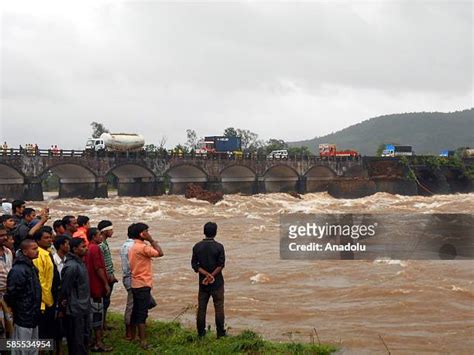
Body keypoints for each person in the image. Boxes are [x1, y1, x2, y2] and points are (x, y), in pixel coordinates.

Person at [128, 223, 164, 349]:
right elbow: (160, 253)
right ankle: (143, 341)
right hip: (143, 283)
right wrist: (151, 240)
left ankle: (132, 336)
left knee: (135, 311)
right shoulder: (142, 247)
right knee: (142, 313)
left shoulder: (133, 246)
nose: (148, 233)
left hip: (135, 283)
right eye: (146, 231)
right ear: (141, 234)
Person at [5, 239, 42, 352]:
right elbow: (12, 293)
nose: (37, 251)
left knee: (32, 347)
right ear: (25, 252)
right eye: (34, 249)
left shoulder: (31, 267)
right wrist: (18, 309)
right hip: (23, 315)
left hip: (33, 314)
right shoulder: (18, 270)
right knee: (22, 348)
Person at [191, 222, 226, 338]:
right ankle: (220, 334)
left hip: (203, 284)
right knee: (219, 307)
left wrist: (206, 275)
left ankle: (201, 334)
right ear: (215, 232)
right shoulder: (219, 247)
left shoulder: (197, 246)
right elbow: (221, 265)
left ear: (204, 232)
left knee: (202, 308)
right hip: (217, 282)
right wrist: (212, 276)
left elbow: (194, 265)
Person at [59, 238, 90, 355]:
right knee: (76, 341)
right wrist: (62, 308)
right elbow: (64, 290)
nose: (86, 248)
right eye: (83, 247)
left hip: (84, 307)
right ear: (75, 249)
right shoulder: (72, 266)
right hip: (75, 309)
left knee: (84, 338)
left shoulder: (80, 263)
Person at [83, 228, 112, 352]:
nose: (101, 237)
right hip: (96, 287)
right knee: (97, 314)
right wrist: (106, 284)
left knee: (92, 314)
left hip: (89, 286)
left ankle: (91, 341)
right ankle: (97, 343)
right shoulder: (96, 248)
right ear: (94, 237)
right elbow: (99, 267)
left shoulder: (88, 248)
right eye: (99, 235)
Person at [33, 228, 60, 343]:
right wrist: (48, 301)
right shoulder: (39, 255)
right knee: (42, 332)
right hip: (44, 301)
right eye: (46, 238)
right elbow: (41, 281)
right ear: (38, 240)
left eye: (50, 237)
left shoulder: (47, 252)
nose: (50, 240)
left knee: (49, 330)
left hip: (50, 297)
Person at [98, 220, 117, 330]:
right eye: (111, 229)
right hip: (105, 277)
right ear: (105, 231)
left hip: (109, 275)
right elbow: (101, 263)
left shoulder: (104, 243)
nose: (112, 231)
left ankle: (103, 324)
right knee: (104, 301)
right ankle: (101, 325)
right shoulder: (101, 245)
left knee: (106, 301)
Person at [120, 224, 135, 340]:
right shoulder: (133, 246)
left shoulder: (125, 245)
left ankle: (131, 330)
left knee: (136, 304)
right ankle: (129, 333)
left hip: (128, 277)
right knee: (131, 306)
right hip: (134, 279)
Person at [0, 225, 13, 338]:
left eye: (5, 235)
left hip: (7, 295)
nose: (4, 238)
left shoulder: (8, 252)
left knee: (8, 326)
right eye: (1, 235)